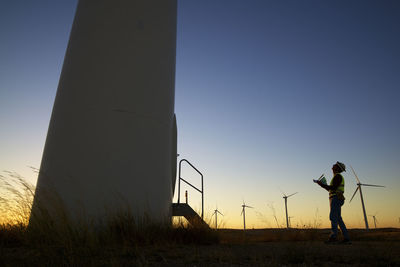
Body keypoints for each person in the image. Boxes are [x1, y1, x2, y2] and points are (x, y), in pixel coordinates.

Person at [316, 161, 351, 244]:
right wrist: (322, 185)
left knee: (333, 217)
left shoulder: (338, 177)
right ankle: (346, 238)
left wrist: (322, 184)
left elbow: (333, 188)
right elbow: (330, 189)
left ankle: (333, 237)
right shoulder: (336, 177)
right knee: (338, 219)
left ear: (337, 168)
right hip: (335, 198)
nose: (332, 166)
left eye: (334, 165)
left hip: (336, 198)